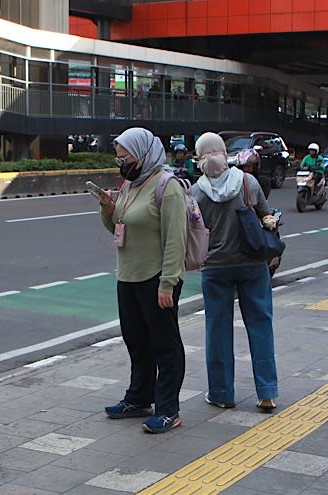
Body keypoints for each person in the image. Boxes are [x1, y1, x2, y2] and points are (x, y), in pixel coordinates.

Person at [98, 127, 188, 434]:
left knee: (165, 344)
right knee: (136, 340)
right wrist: (108, 210)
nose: (121, 161)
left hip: (156, 278)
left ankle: (168, 410)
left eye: (126, 156)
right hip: (129, 276)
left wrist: (168, 282)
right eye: (119, 156)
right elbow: (118, 228)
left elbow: (177, 238)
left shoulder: (167, 185)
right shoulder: (130, 183)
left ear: (144, 153)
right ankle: (139, 399)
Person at [192, 133, 279, 412]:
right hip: (252, 264)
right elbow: (267, 218)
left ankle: (221, 393)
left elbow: (194, 230)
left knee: (217, 330)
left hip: (215, 268)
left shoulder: (196, 191)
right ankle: (266, 393)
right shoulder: (247, 181)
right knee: (261, 325)